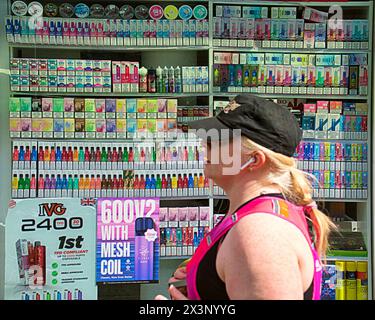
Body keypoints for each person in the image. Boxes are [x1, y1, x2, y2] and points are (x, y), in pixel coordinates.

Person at [155, 94, 335, 300]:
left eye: (218, 139)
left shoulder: (260, 233)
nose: (205, 144)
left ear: (254, 160)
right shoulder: (256, 218)